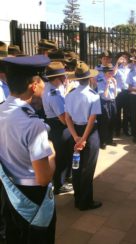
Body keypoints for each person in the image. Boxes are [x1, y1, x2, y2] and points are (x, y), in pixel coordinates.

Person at [0, 55, 56, 243]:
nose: (44, 87)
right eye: (42, 83)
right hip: (32, 197)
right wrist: (52, 153)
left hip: (9, 192)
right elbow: (44, 178)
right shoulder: (33, 125)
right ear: (33, 85)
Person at [65, 61, 102, 211]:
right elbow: (91, 120)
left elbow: (67, 118)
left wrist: (75, 137)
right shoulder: (93, 95)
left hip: (75, 132)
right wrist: (84, 139)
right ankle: (85, 201)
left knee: (76, 166)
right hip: (89, 133)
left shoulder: (70, 95)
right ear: (89, 78)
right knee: (88, 167)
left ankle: (77, 198)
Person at [42, 61, 73, 195]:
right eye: (63, 76)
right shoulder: (54, 95)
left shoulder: (50, 87)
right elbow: (63, 118)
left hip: (54, 125)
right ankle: (60, 184)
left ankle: (62, 180)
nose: (66, 78)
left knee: (62, 155)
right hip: (59, 127)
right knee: (62, 156)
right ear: (57, 78)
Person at [97, 65, 118, 149]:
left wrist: (115, 85)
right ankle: (103, 142)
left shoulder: (113, 80)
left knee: (112, 121)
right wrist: (107, 85)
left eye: (112, 72)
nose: (111, 74)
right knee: (104, 122)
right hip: (104, 103)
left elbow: (115, 95)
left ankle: (110, 140)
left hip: (112, 102)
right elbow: (104, 95)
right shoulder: (101, 81)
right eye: (110, 72)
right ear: (105, 73)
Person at [114, 51, 132, 137]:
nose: (124, 59)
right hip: (119, 93)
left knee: (126, 112)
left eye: (125, 57)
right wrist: (117, 63)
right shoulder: (118, 68)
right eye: (122, 57)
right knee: (117, 112)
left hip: (127, 92)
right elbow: (113, 73)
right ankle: (117, 130)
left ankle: (125, 130)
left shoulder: (130, 69)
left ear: (128, 59)